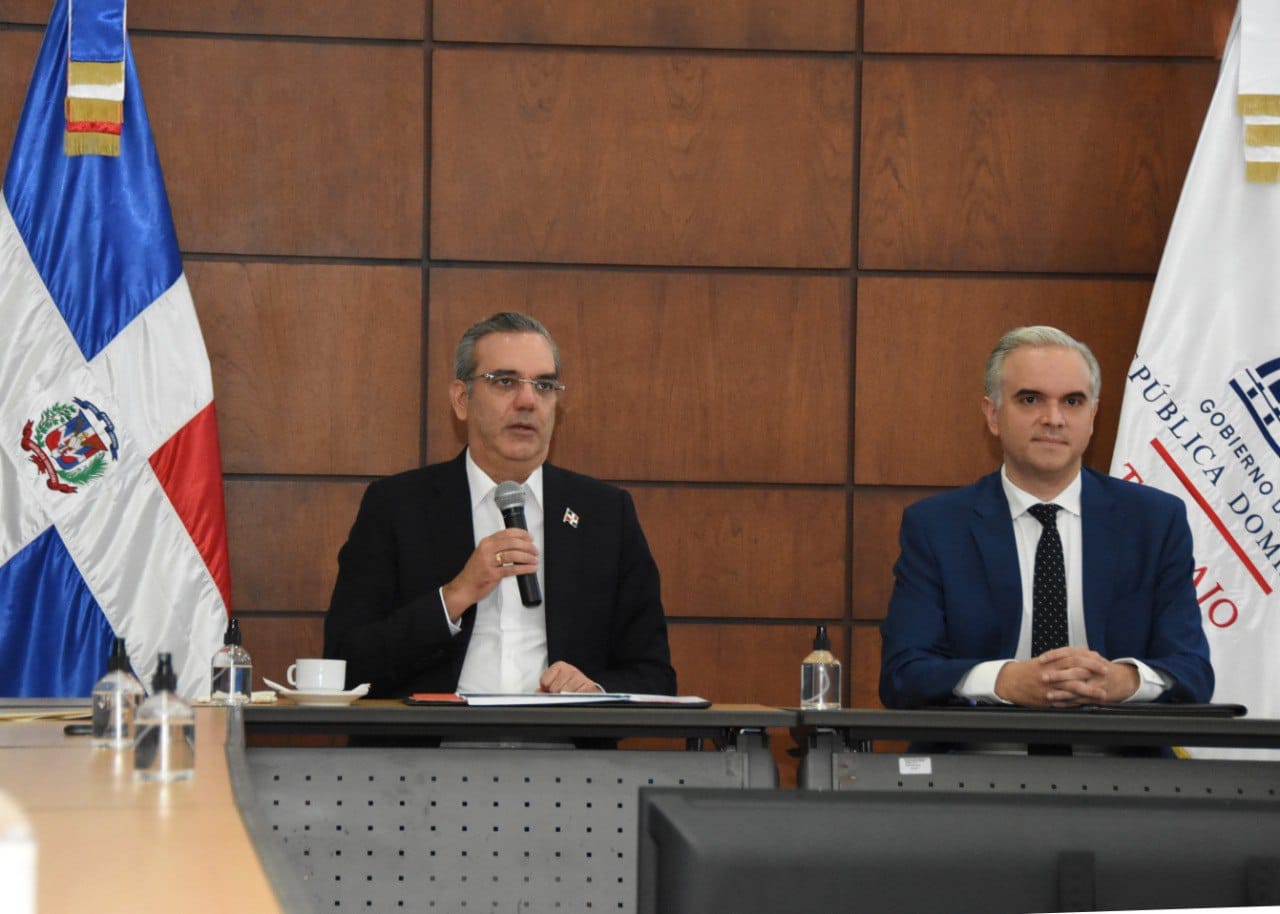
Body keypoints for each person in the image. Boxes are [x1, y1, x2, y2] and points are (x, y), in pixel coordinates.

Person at [325, 312, 676, 698]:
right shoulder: (397, 507)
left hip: (561, 735)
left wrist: (593, 690)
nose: (528, 401)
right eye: (505, 382)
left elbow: (654, 674)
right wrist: (455, 596)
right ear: (462, 399)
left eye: (544, 385)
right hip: (437, 734)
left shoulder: (606, 515)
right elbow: (344, 663)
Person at [879, 326, 1213, 709]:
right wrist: (1004, 681)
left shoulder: (1155, 522)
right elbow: (903, 673)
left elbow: (1193, 671)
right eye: (1031, 399)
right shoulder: (937, 528)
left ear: (1093, 416)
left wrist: (1121, 680)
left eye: (1072, 401)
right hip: (983, 744)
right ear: (992, 414)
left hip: (1115, 745)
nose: (1054, 418)